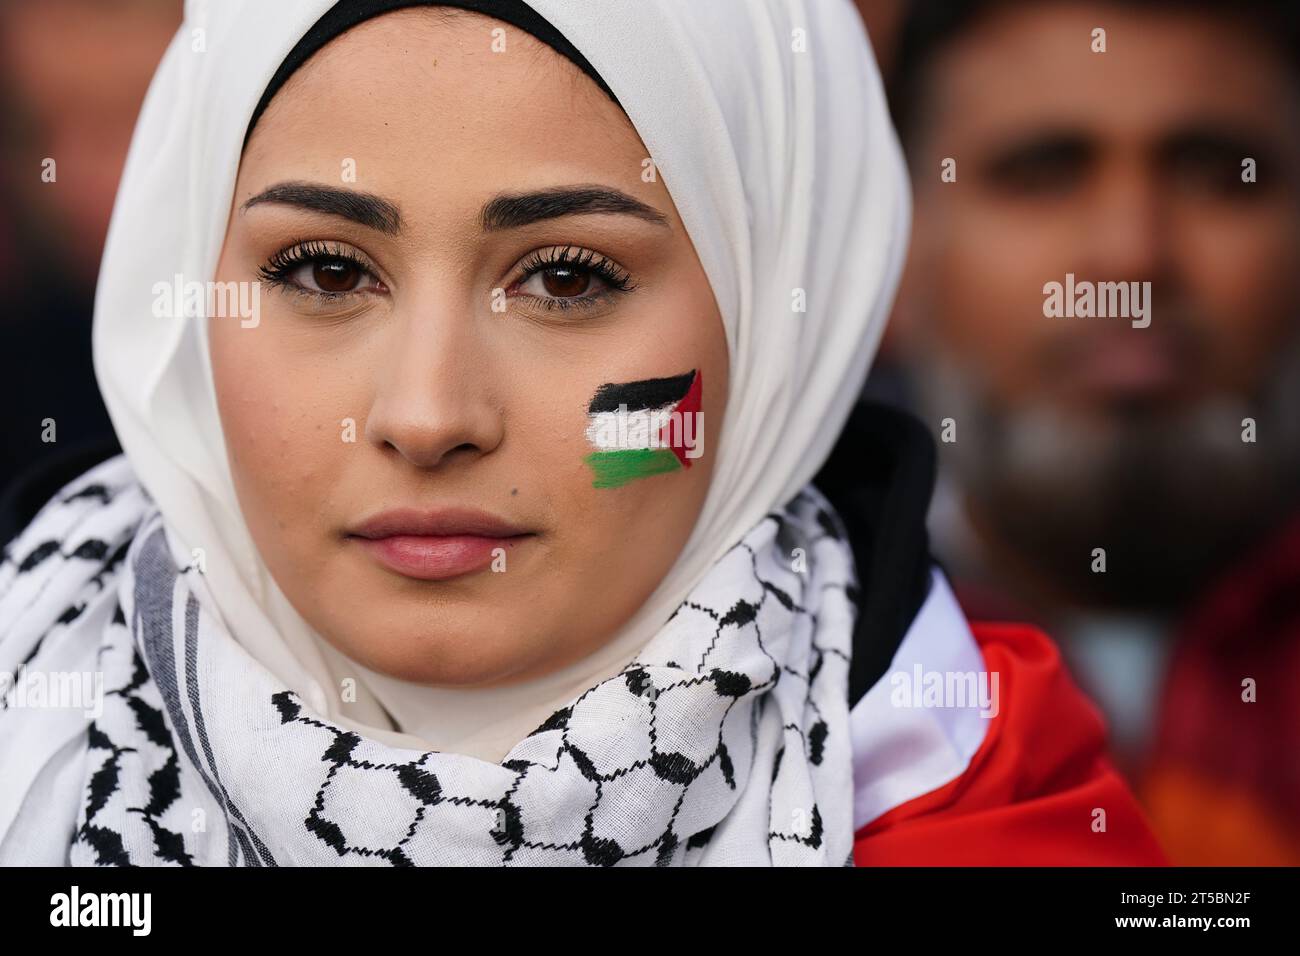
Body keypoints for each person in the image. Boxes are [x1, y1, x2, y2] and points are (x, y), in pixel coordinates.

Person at [0, 0, 1163, 866]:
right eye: (324, 268)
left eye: (565, 277)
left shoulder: (991, 803)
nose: (427, 415)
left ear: (771, 330)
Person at [886, 0, 1300, 863]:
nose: (1131, 257)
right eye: (1041, 173)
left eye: (1221, 174)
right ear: (890, 251)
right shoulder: (746, 682)